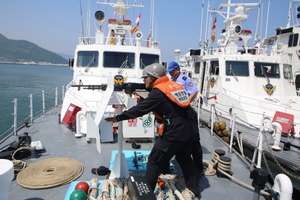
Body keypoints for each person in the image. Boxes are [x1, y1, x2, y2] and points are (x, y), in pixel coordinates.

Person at [105, 63, 200, 198]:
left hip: (175, 132)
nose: (144, 81)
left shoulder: (158, 91)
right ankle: (194, 190)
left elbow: (140, 110)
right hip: (189, 128)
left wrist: (118, 117)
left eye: (145, 78)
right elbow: (170, 105)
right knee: (184, 158)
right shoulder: (175, 85)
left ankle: (145, 195)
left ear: (152, 77)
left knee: (155, 161)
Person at [167, 61, 204, 176]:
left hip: (186, 111)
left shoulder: (185, 79)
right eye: (170, 72)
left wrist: (187, 102)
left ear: (177, 69)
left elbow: (194, 91)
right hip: (176, 112)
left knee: (194, 142)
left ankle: (198, 168)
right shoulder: (171, 81)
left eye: (172, 71)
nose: (171, 73)